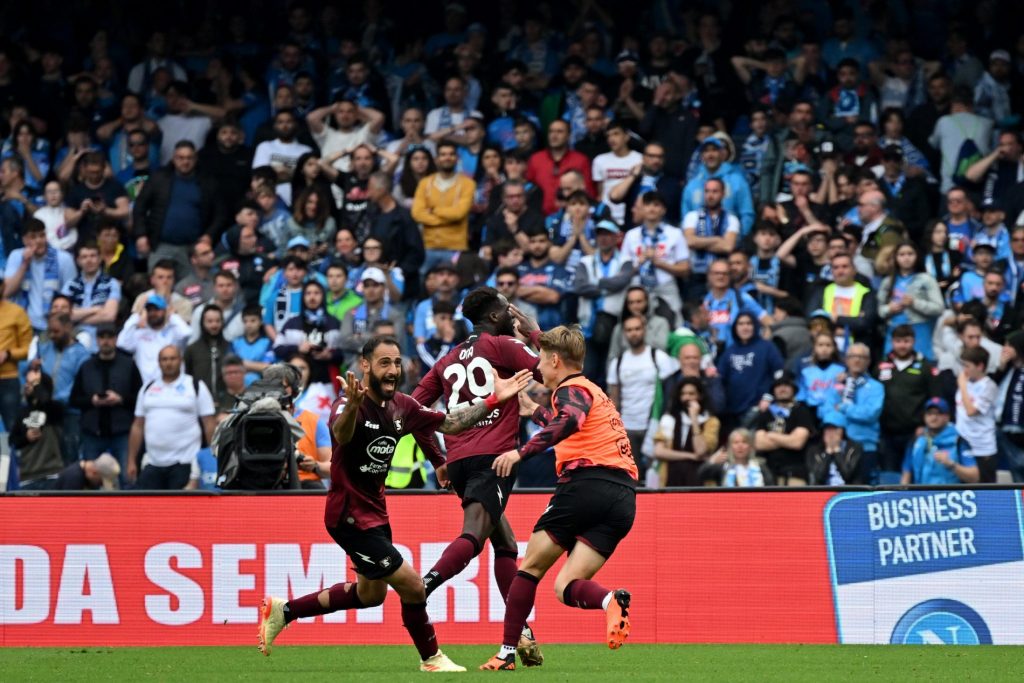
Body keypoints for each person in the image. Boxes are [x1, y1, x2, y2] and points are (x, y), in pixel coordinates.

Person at [257, 336, 531, 672]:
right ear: (365, 365)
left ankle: (284, 611)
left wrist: (493, 400)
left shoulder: (403, 405)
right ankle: (432, 659)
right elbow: (342, 435)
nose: (393, 370)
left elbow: (451, 423)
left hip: (375, 513)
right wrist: (353, 406)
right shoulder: (347, 403)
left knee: (370, 595)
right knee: (414, 587)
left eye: (397, 362)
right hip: (349, 517)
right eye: (384, 362)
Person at [484, 326, 637, 670]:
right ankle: (610, 600)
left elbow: (570, 420)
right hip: (623, 499)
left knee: (528, 569)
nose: (538, 366)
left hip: (585, 486)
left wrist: (520, 452)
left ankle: (507, 653)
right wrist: (533, 411)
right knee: (565, 586)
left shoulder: (571, 390)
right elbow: (570, 423)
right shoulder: (592, 390)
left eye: (540, 359)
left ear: (555, 360)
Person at [410, 287, 545, 663]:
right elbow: (550, 370)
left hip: (459, 461)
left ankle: (521, 634)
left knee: (506, 544)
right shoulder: (503, 345)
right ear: (495, 316)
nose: (512, 316)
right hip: (493, 459)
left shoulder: (447, 359)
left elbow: (414, 409)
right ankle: (422, 587)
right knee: (472, 536)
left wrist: (437, 459)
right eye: (507, 311)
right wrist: (533, 332)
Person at [127, 344, 216, 490]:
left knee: (180, 505)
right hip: (153, 462)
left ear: (181, 360)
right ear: (158, 362)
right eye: (164, 359)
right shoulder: (147, 388)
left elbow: (209, 423)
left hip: (185, 462)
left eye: (173, 358)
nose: (168, 363)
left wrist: (213, 457)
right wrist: (131, 460)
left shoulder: (195, 385)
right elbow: (137, 426)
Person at [133, 140, 226, 279]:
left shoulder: (208, 182)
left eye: (189, 158)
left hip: (193, 249)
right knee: (160, 286)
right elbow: (140, 206)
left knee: (191, 289)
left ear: (195, 159)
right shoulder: (159, 178)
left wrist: (209, 235)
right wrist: (141, 235)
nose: (185, 162)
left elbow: (221, 214)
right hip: (161, 245)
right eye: (181, 158)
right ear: (173, 158)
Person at [607, 314, 679, 481]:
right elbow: (614, 399)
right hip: (627, 427)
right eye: (629, 330)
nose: (634, 333)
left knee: (656, 477)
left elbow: (671, 392)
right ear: (624, 333)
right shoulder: (617, 363)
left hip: (653, 425)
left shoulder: (658, 357)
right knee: (631, 478)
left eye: (637, 329)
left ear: (645, 330)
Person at [70, 323, 142, 480]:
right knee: (90, 480)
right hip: (93, 432)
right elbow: (74, 399)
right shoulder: (87, 367)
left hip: (122, 432)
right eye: (102, 337)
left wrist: (121, 399)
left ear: (116, 339)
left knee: (127, 480)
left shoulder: (128, 365)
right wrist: (92, 401)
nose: (106, 341)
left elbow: (140, 398)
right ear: (97, 340)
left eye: (110, 337)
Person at [574, 220, 634, 386]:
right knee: (588, 373)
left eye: (608, 234)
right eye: (600, 234)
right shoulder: (586, 261)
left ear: (616, 237)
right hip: (588, 325)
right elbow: (579, 286)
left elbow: (621, 281)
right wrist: (606, 286)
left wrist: (596, 283)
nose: (603, 238)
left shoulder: (625, 261)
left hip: (614, 324)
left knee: (611, 372)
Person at [876, 325, 940, 475]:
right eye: (898, 341)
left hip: (916, 432)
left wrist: (925, 425)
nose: (902, 345)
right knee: (889, 476)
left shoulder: (925, 366)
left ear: (913, 341)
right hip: (887, 433)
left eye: (906, 341)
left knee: (914, 475)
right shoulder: (881, 365)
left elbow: (934, 399)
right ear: (892, 342)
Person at [33, 313, 91, 463]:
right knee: (42, 455)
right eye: (50, 331)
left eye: (56, 331)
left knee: (68, 456)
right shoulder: (45, 349)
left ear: (68, 328)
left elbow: (79, 383)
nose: (52, 335)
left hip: (70, 413)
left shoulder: (81, 354)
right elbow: (36, 376)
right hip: (45, 410)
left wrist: (56, 399)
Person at [411, 141, 476, 274]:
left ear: (457, 158)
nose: (447, 157)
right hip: (428, 247)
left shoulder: (468, 184)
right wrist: (448, 219)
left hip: (456, 247)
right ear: (436, 159)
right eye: (443, 154)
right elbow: (417, 213)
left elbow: (459, 213)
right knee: (423, 282)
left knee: (457, 282)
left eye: (451, 154)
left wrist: (433, 210)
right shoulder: (425, 183)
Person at [619, 191, 689, 314]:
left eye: (656, 205)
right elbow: (623, 271)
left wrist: (659, 263)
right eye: (647, 205)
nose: (651, 209)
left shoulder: (675, 233)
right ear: (642, 209)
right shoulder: (631, 235)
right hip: (638, 287)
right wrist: (638, 263)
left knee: (674, 320)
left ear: (663, 210)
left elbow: (685, 270)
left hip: (666, 285)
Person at [3, 218, 76, 333]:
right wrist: (24, 264)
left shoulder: (63, 258)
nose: (39, 241)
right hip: (22, 324)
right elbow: (6, 292)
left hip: (52, 325)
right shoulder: (16, 256)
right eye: (33, 237)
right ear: (24, 240)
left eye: (42, 236)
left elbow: (70, 295)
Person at [825, 342, 885, 483]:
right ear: (846, 360)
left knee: (862, 490)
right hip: (838, 446)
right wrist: (843, 417)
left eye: (862, 357)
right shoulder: (837, 384)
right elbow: (826, 411)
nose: (857, 360)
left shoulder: (876, 387)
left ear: (868, 361)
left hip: (865, 446)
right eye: (853, 356)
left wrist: (844, 408)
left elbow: (870, 414)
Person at [716, 313, 784, 434]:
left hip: (758, 408)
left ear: (755, 326)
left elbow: (779, 374)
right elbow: (720, 377)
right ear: (735, 327)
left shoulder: (767, 347)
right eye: (741, 324)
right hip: (732, 411)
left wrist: (769, 397)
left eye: (749, 323)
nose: (745, 327)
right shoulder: (729, 351)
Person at [877, 242, 944, 359]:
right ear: (895, 258)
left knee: (921, 364)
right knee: (891, 365)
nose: (906, 258)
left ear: (917, 256)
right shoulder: (888, 281)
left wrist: (914, 303)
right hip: (894, 329)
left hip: (919, 329)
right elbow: (879, 310)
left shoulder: (927, 279)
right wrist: (889, 309)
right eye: (901, 254)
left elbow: (939, 308)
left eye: (910, 254)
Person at [653, 377, 720, 487]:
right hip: (671, 479)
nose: (686, 397)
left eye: (691, 394)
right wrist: (691, 456)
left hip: (699, 481)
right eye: (683, 394)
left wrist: (694, 419)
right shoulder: (669, 419)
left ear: (700, 396)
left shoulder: (711, 421)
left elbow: (700, 451)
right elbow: (659, 451)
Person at [753, 371, 816, 485]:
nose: (782, 389)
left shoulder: (802, 411)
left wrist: (771, 435)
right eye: (778, 386)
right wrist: (788, 439)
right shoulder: (766, 413)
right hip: (768, 476)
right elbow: (759, 443)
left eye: (786, 385)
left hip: (796, 475)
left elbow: (797, 442)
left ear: (793, 388)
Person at [901, 398, 979, 485]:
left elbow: (975, 477)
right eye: (929, 413)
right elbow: (906, 474)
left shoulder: (958, 440)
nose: (933, 417)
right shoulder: (917, 439)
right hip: (921, 492)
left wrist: (951, 464)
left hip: (949, 492)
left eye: (939, 413)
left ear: (947, 417)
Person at [116, 293, 191, 383]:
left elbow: (186, 333)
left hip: (174, 386)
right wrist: (137, 314)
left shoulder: (174, 332)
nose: (152, 313)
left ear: (165, 311)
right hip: (147, 387)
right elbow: (121, 343)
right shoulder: (139, 334)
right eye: (149, 310)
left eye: (157, 310)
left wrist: (172, 315)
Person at [9, 367, 64, 490]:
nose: (27, 386)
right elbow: (12, 441)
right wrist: (26, 438)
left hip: (52, 474)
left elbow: (45, 402)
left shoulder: (54, 409)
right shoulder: (22, 412)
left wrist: (38, 387)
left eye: (33, 383)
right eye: (27, 383)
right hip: (28, 476)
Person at [63, 241, 121, 349]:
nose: (89, 260)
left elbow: (109, 315)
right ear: (78, 261)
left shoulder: (111, 283)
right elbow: (64, 315)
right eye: (84, 257)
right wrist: (95, 309)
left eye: (93, 256)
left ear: (100, 258)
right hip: (73, 342)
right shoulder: (70, 285)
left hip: (101, 343)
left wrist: (76, 318)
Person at [956, 347, 999, 484]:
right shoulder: (965, 382)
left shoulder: (989, 386)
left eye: (967, 366)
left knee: (985, 490)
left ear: (980, 366)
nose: (964, 370)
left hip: (982, 447)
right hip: (963, 443)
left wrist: (962, 386)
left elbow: (971, 412)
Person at [0, 279, 31, 433]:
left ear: (3, 286)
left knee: (13, 428)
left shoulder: (17, 313)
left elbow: (29, 350)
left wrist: (8, 354)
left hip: (8, 379)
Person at [805, 413, 863, 485]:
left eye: (834, 429)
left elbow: (848, 475)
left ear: (842, 430)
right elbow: (818, 477)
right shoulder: (814, 450)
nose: (830, 433)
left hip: (847, 490)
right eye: (827, 429)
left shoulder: (853, 449)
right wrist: (828, 452)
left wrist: (836, 450)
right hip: (823, 490)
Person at [55, 452, 121, 490]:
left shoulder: (81, 474)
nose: (100, 485)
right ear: (94, 473)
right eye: (100, 482)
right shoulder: (74, 479)